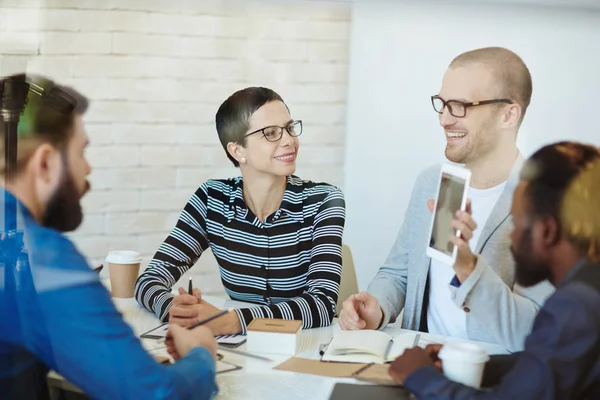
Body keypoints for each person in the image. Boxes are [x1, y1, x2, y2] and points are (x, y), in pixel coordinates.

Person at [0, 74, 218, 399]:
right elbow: (157, 395)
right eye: (81, 153)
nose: (87, 169)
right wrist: (202, 354)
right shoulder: (40, 259)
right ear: (45, 163)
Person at [339, 46, 554, 352]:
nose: (443, 119)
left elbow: (534, 330)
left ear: (508, 114)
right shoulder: (436, 183)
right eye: (442, 104)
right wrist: (377, 306)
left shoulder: (543, 202)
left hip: (490, 380)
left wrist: (468, 269)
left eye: (460, 106)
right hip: (419, 368)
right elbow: (399, 272)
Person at [390, 141, 600, 399]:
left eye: (517, 223)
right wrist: (479, 367)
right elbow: (547, 366)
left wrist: (420, 376)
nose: (511, 237)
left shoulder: (577, 304)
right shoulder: (588, 289)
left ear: (547, 231)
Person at [135, 87, 346, 335]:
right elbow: (148, 281)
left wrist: (231, 321)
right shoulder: (211, 200)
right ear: (237, 150)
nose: (289, 140)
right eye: (271, 133)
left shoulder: (323, 201)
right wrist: (172, 307)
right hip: (241, 353)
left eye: (289, 128)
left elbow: (321, 305)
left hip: (307, 348)